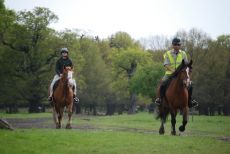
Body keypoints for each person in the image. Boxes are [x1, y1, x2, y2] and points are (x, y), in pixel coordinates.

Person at [155, 38, 198, 108]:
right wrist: (173, 71)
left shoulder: (183, 53)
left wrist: (188, 68)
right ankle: (160, 99)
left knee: (190, 84)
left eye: (178, 44)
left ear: (180, 45)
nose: (177, 46)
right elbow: (166, 64)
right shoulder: (167, 53)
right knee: (163, 83)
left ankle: (190, 101)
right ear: (172, 45)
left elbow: (186, 64)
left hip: (181, 74)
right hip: (170, 73)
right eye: (175, 44)